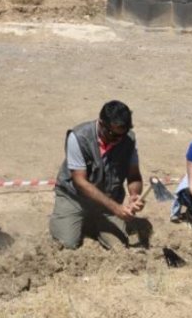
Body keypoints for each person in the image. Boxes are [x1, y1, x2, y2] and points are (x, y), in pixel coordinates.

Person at [50, 101, 145, 250]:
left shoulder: (128, 140)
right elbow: (80, 182)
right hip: (74, 199)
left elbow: (134, 176)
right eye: (113, 135)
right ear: (101, 124)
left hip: (108, 202)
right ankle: (77, 219)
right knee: (67, 244)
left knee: (120, 246)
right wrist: (116, 209)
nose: (118, 140)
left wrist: (134, 195)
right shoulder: (78, 137)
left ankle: (93, 222)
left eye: (123, 134)